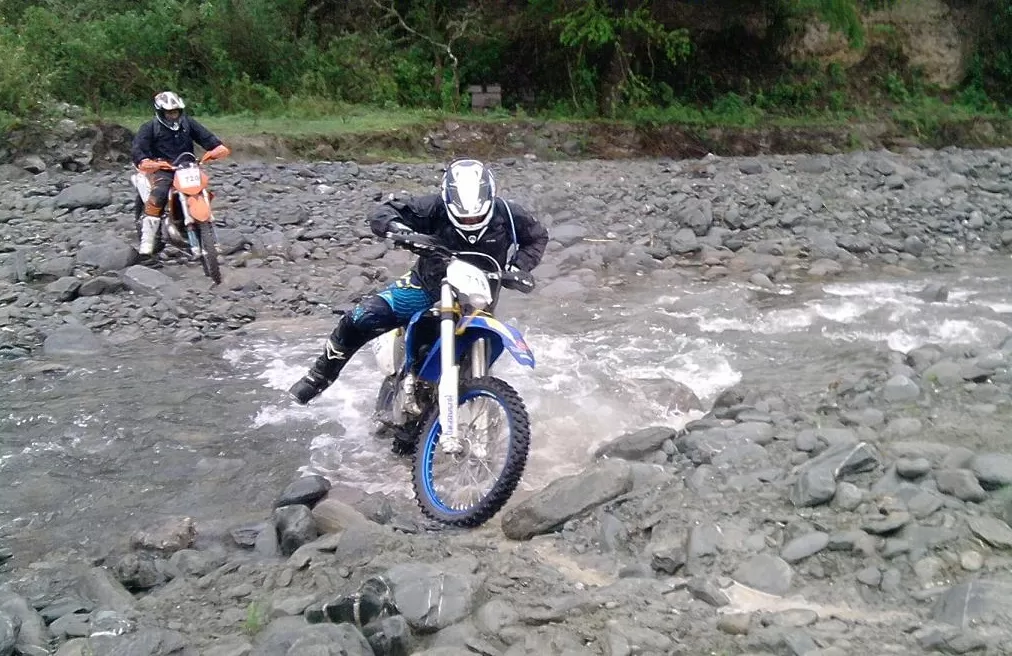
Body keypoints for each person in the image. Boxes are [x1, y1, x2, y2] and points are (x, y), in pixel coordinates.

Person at [290, 158, 549, 405]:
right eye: (464, 218)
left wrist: (518, 267)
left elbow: (537, 236)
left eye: (475, 218)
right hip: (427, 286)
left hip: (479, 296)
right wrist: (402, 232)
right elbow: (385, 211)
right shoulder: (433, 207)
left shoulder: (510, 214)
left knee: (474, 362)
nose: (470, 221)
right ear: (448, 201)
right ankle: (320, 375)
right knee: (361, 317)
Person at [130, 91, 231, 255]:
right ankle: (146, 243)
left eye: (175, 111)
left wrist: (217, 148)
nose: (173, 115)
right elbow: (138, 149)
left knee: (202, 190)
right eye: (169, 112)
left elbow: (207, 138)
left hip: (187, 167)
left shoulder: (188, 124)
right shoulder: (149, 128)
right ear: (161, 112)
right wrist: (145, 161)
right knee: (159, 194)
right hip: (163, 169)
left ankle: (206, 232)